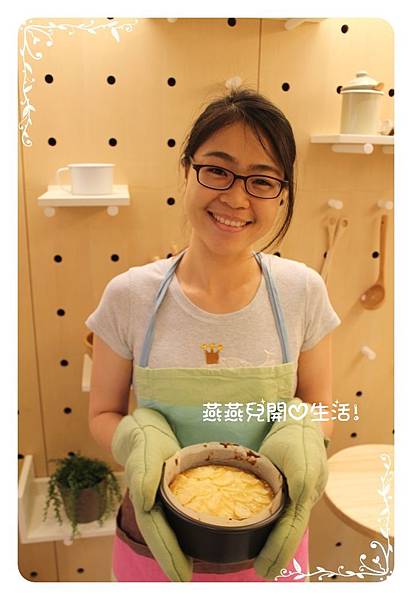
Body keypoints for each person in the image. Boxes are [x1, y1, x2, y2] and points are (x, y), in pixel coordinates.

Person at [86, 87, 341, 582]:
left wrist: (304, 433)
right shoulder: (130, 295)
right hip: (155, 537)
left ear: (282, 193)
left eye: (262, 180)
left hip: (267, 541)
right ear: (187, 170)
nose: (236, 198)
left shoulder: (303, 292)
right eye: (218, 170)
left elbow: (320, 405)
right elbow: (102, 413)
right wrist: (136, 439)